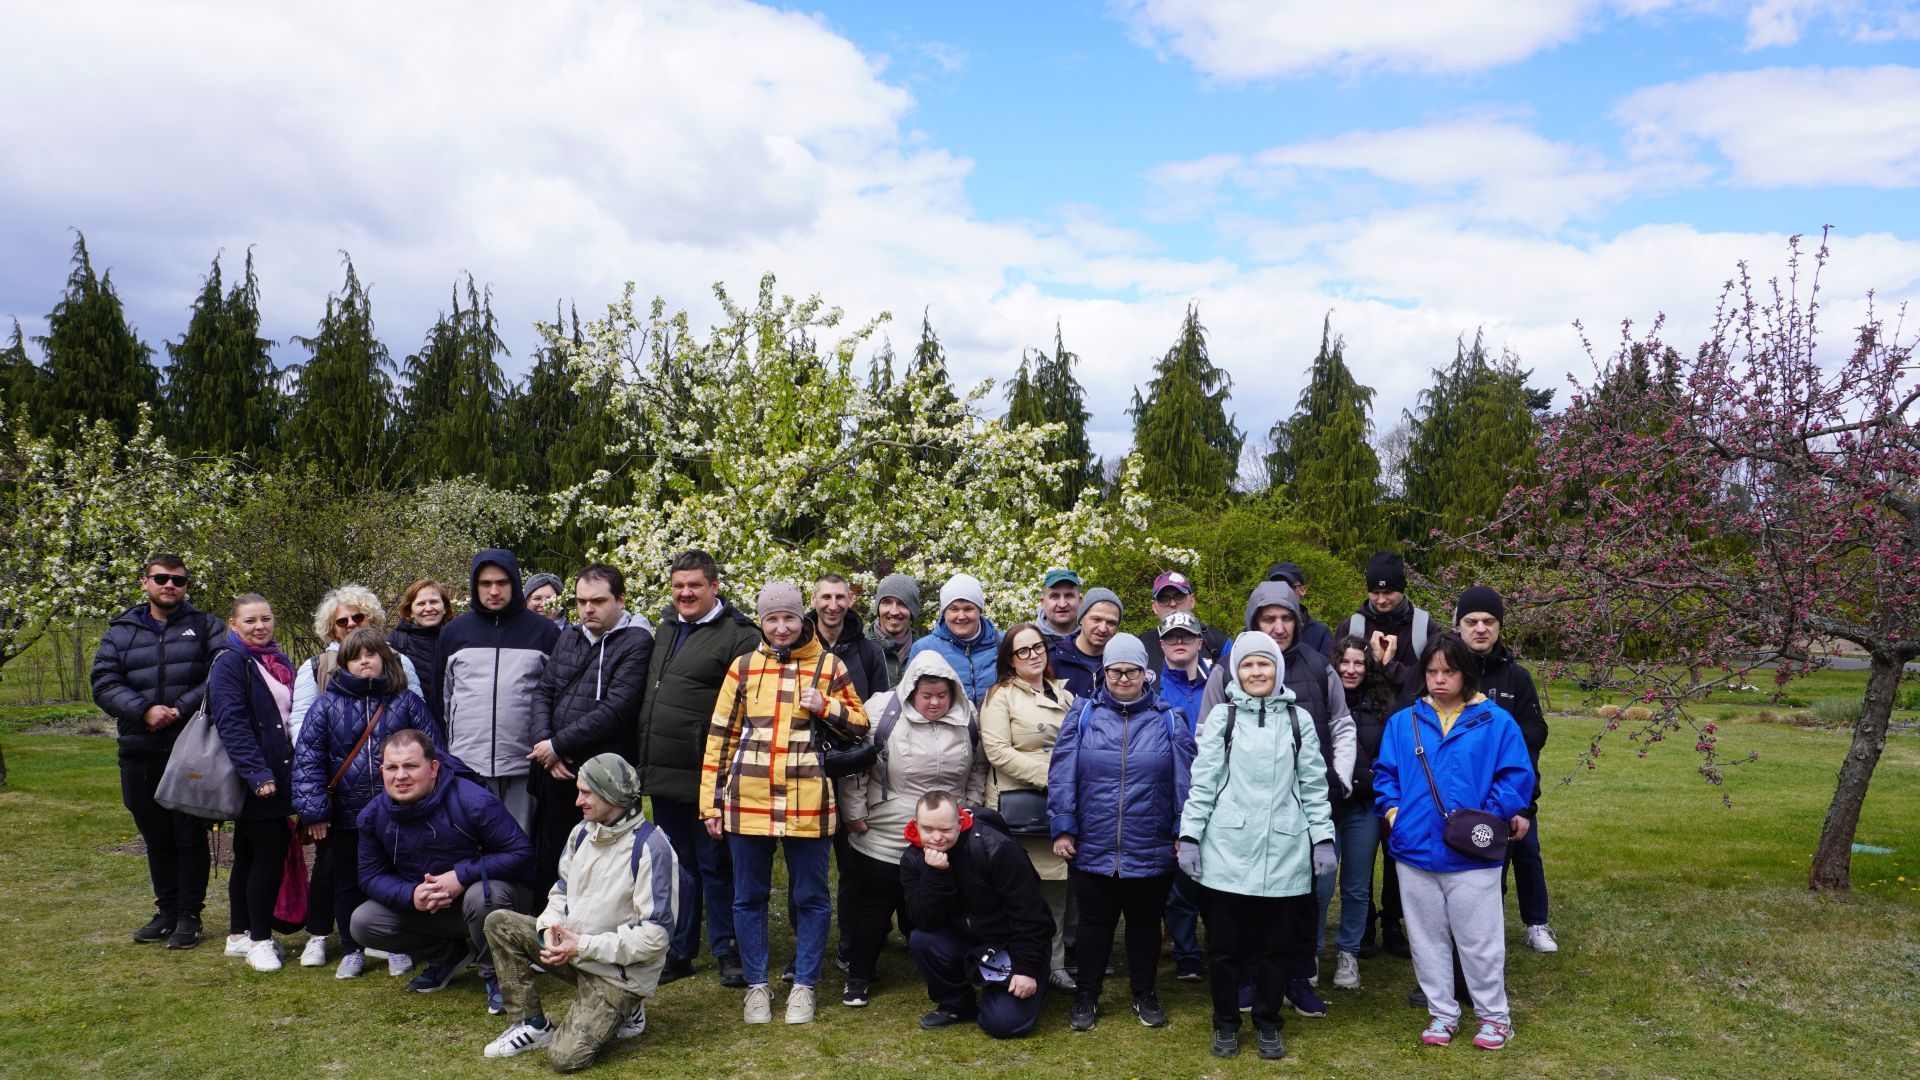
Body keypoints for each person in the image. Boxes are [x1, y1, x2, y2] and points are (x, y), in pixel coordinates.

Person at [699, 582, 869, 1025]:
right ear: (761, 621)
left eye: (788, 618)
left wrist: (825, 705)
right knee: (748, 898)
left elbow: (861, 724)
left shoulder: (829, 665)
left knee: (811, 896)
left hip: (808, 799)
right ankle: (757, 985)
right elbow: (721, 737)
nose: (780, 627)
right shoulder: (743, 667)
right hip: (748, 800)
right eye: (772, 619)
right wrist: (711, 805)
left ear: (801, 618)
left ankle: (804, 985)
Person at [1197, 579, 1355, 1016]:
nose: (1279, 626)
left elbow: (1341, 724)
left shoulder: (1319, 666)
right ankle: (1250, 978)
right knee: (1249, 904)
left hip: (1302, 810)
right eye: (1269, 618)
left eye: (1287, 617)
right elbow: (1205, 736)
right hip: (1242, 818)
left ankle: (1298, 978)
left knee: (1304, 901)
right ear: (1254, 621)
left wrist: (1338, 779)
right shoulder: (1226, 670)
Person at [1179, 632, 1336, 1061]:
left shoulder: (1299, 721)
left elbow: (1313, 786)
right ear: (1236, 671)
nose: (1256, 671)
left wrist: (1322, 839)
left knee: (1276, 949)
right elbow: (1203, 782)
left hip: (1284, 851)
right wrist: (1190, 836)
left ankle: (1268, 1022)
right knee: (1226, 949)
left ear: (1277, 669)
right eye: (1247, 664)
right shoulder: (1223, 717)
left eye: (1263, 663)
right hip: (1227, 850)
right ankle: (1226, 1023)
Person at [1374, 634, 1535, 1051]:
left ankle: (1494, 1017)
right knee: (1426, 939)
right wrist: (1395, 815)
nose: (1439, 679)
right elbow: (1386, 775)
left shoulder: (1497, 722)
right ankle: (1442, 1012)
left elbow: (1516, 777)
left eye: (1448, 671)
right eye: (1431, 671)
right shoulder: (1403, 722)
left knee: (1479, 940)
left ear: (1466, 673)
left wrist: (1486, 819)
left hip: (1471, 853)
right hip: (1415, 850)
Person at [482, 754, 679, 1070]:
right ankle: (531, 1024)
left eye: (586, 793)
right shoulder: (582, 833)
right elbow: (561, 891)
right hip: (575, 952)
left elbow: (655, 937)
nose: (578, 801)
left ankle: (628, 1005)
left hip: (619, 975)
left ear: (610, 794)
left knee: (566, 1058)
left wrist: (582, 946)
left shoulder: (651, 848)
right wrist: (549, 929)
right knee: (500, 923)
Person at [1047, 632, 1196, 1032]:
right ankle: (1087, 995)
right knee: (1095, 923)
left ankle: (1144, 993)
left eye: (1132, 671)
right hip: (1093, 842)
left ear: (1145, 673)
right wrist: (1063, 827)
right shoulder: (1083, 715)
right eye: (1115, 671)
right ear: (1104, 672)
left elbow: (1186, 782)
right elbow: (1062, 776)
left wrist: (1182, 831)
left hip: (1151, 841)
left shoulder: (1169, 719)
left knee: (1144, 923)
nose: (1124, 678)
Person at [292, 628, 457, 979]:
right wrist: (314, 810)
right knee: (347, 880)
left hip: (399, 812)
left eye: (371, 654)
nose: (364, 662)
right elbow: (308, 759)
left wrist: (433, 800)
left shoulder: (406, 702)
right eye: (355, 657)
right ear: (345, 663)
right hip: (345, 814)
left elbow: (434, 752)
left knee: (398, 877)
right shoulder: (327, 705)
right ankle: (352, 948)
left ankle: (396, 943)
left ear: (384, 658)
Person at [638, 549, 761, 988]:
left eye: (694, 585)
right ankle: (679, 949)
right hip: (664, 771)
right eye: (678, 586)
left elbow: (746, 708)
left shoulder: (739, 636)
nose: (685, 593)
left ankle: (728, 949)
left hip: (709, 772)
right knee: (675, 865)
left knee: (716, 864)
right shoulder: (666, 627)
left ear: (715, 587)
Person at [91, 553, 225, 950]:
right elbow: (104, 681)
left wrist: (179, 708)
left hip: (190, 748)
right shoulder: (121, 632)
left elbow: (221, 672)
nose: (170, 585)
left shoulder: (206, 626)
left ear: (186, 586)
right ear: (145, 582)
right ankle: (166, 911)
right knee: (156, 836)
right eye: (162, 578)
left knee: (189, 835)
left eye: (178, 580)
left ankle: (189, 916)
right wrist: (143, 710)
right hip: (140, 748)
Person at [353, 728, 538, 1014]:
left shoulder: (474, 801)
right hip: (432, 906)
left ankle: (499, 976)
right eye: (392, 767)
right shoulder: (372, 816)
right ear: (382, 771)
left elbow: (521, 854)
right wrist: (411, 894)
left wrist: (461, 876)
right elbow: (370, 876)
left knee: (483, 896)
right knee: (363, 921)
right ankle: (449, 956)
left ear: (433, 768)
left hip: (494, 900)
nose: (400, 776)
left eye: (410, 766)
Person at [838, 651, 986, 1007]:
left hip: (947, 826)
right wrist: (854, 812)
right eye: (926, 696)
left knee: (944, 897)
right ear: (911, 692)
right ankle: (859, 975)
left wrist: (973, 805)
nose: (935, 703)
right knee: (876, 902)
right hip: (888, 823)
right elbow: (857, 765)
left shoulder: (968, 715)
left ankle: (945, 964)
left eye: (942, 695)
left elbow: (979, 766)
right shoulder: (880, 711)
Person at [528, 564, 654, 889]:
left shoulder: (637, 642)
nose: (587, 609)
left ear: (621, 600)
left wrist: (557, 746)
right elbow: (544, 690)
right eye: (581, 601)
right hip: (558, 769)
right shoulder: (570, 636)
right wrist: (545, 744)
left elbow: (616, 709)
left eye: (597, 601)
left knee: (603, 860)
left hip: (605, 772)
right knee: (555, 852)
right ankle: (552, 916)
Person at [901, 791, 1056, 1038]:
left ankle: (1026, 982)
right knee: (922, 939)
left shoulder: (997, 848)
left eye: (945, 829)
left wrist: (1026, 969)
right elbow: (922, 920)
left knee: (1004, 1024)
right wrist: (937, 875)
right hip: (964, 939)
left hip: (1009, 943)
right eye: (928, 829)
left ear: (960, 822)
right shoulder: (913, 857)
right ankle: (956, 1004)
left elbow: (1031, 915)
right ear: (916, 825)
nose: (937, 838)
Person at [1455, 586, 1556, 953]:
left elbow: (1533, 738)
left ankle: (1536, 922)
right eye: (1472, 621)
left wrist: (1524, 803)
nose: (1481, 629)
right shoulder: (1448, 672)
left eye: (1489, 621)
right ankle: (1479, 927)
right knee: (1478, 862)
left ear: (1499, 626)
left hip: (1512, 790)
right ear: (1459, 625)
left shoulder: (1517, 678)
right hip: (1465, 791)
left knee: (1526, 851)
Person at [976, 623, 1076, 991]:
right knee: (1017, 893)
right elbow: (997, 752)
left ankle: (1055, 964)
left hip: (1058, 807)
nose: (1033, 655)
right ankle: (1014, 966)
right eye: (1023, 650)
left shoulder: (1065, 695)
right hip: (1018, 807)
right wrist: (1054, 777)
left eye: (1038, 647)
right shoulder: (999, 696)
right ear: (1010, 660)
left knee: (1056, 890)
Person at [436, 549, 561, 833]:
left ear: (514, 582)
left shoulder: (544, 632)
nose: (494, 591)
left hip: (525, 765)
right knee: (472, 841)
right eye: (485, 583)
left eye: (502, 582)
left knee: (520, 841)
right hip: (468, 764)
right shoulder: (454, 633)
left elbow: (556, 696)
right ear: (474, 585)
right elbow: (441, 698)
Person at [207, 593, 298, 972]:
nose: (260, 626)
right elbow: (231, 724)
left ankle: (238, 935)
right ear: (233, 624)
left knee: (247, 853)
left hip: (277, 771)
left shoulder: (275, 660)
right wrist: (258, 774)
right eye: (250, 621)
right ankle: (260, 940)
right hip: (257, 778)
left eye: (266, 618)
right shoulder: (231, 662)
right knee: (268, 854)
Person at [1326, 635, 1394, 990]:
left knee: (1356, 886)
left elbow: (1390, 754)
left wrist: (1368, 779)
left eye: (1358, 663)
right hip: (1326, 806)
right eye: (1345, 662)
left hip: (1364, 808)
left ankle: (1348, 952)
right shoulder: (1321, 700)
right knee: (1320, 885)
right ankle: (1310, 951)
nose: (1351, 670)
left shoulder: (1382, 703)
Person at [1150, 611, 1212, 983]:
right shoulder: (1152, 686)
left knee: (1215, 876)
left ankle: (1220, 943)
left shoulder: (1219, 682)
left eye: (1186, 636)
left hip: (1215, 791)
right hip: (1168, 791)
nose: (1179, 642)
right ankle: (1186, 952)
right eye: (1172, 636)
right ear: (1161, 644)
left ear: (1199, 641)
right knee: (1178, 881)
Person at [906, 574, 1003, 707]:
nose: (961, 616)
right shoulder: (923, 648)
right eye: (953, 609)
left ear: (979, 610)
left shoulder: (1004, 643)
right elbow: (909, 699)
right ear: (944, 612)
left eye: (968, 608)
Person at [1348, 551, 1434, 694]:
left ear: (1402, 589)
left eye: (1388, 592)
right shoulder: (1352, 626)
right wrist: (1372, 661)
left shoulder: (1426, 628)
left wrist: (1390, 666)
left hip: (1413, 707)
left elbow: (1434, 680)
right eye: (1375, 593)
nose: (1381, 600)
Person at [808, 573, 891, 701]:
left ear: (850, 599)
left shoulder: (870, 652)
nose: (833, 606)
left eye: (839, 597)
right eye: (826, 597)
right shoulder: (798, 648)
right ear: (813, 599)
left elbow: (880, 707)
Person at [1139, 571, 1230, 671]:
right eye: (1163, 599)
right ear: (1154, 607)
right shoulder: (1140, 646)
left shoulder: (1218, 642)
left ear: (1192, 601)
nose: (1173, 604)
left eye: (1179, 596)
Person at [388, 578, 451, 715]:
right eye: (421, 603)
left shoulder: (457, 640)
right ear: (410, 611)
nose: (429, 608)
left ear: (445, 608)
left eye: (434, 602)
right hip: (411, 723)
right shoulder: (395, 642)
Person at [1047, 587, 1121, 698]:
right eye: (1096, 619)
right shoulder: (1053, 659)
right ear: (1081, 618)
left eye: (1111, 623)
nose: (1103, 628)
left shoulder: (1122, 662)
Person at [1266, 563, 1333, 658]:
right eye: (1275, 586)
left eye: (1288, 586)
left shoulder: (1320, 634)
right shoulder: (1254, 631)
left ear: (1303, 590)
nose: (1281, 591)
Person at [867, 573, 921, 686]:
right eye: (887, 603)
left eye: (902, 603)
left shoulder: (924, 651)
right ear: (878, 608)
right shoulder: (858, 647)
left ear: (913, 610)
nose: (894, 611)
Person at [1034, 568, 1082, 646]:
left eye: (1069, 596)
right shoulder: (1030, 642)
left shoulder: (1096, 638)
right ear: (1043, 602)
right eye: (1054, 596)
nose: (1062, 604)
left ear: (1080, 601)